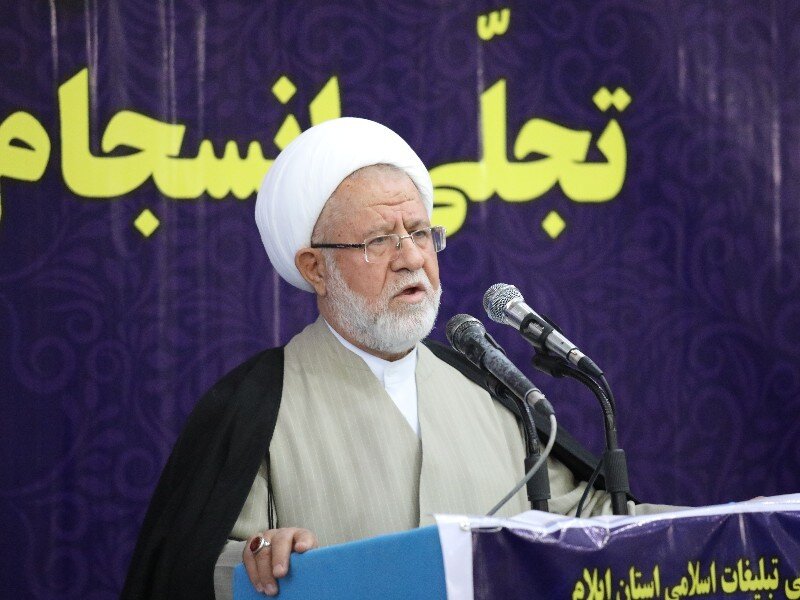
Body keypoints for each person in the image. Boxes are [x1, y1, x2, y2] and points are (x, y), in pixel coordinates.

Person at [122, 118, 668, 600]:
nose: (411, 258)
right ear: (315, 268)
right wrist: (257, 560)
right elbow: (194, 570)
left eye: (420, 233)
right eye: (379, 240)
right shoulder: (255, 407)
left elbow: (584, 522)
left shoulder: (493, 392)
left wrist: (708, 530)